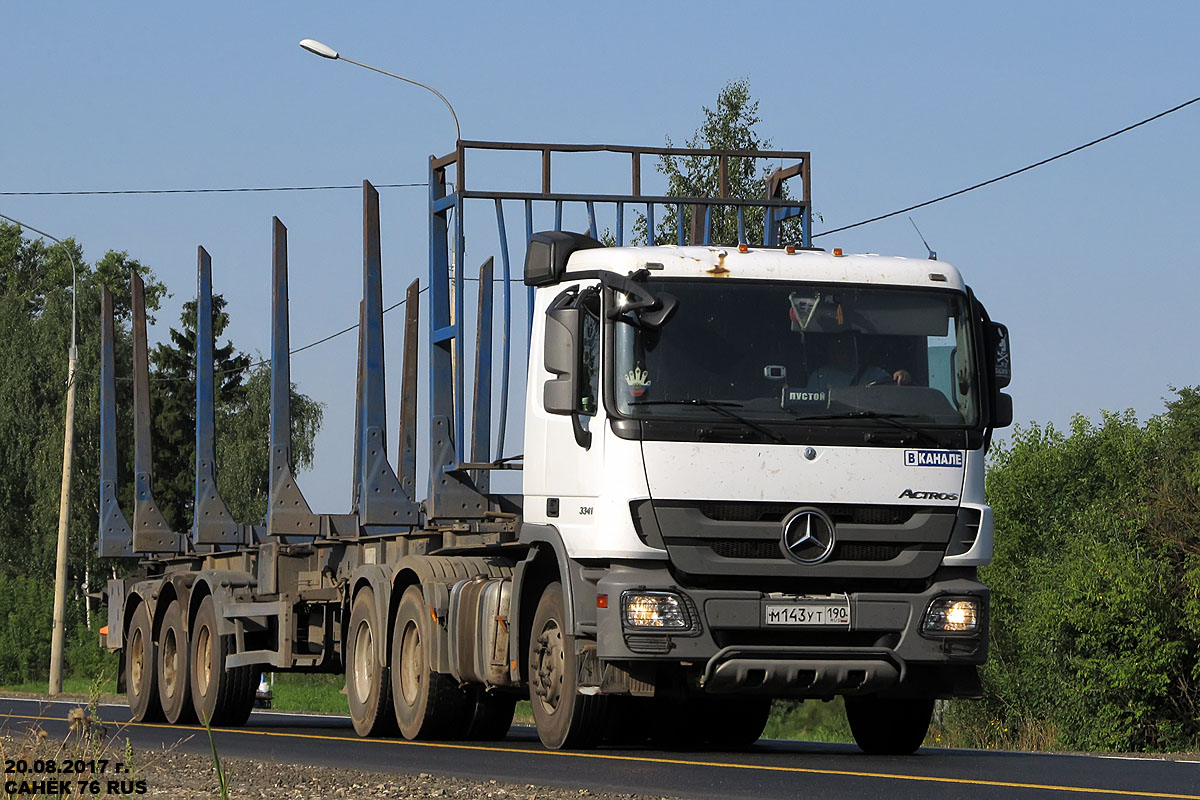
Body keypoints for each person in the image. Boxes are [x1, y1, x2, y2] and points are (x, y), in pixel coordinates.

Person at [807, 333, 911, 388]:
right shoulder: (820, 377)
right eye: (842, 352)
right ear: (833, 354)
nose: (847, 355)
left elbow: (894, 390)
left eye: (850, 350)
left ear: (858, 351)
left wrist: (902, 377)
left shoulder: (875, 374)